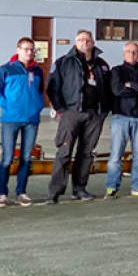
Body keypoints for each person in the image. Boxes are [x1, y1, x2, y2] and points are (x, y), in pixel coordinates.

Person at [46, 30, 113, 203]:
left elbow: (109, 88)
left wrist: (104, 110)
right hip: (71, 113)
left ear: (92, 42)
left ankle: (80, 189)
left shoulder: (102, 65)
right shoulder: (63, 63)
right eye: (81, 39)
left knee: (86, 153)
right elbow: (53, 87)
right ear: (75, 42)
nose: (84, 42)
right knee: (64, 152)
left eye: (87, 39)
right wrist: (61, 109)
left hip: (94, 115)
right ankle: (55, 192)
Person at [0, 37, 44, 207]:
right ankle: (2, 193)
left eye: (32, 49)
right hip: (11, 120)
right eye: (26, 49)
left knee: (26, 157)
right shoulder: (6, 70)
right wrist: (8, 107)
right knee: (7, 158)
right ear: (18, 50)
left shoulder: (38, 71)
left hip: (31, 121)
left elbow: (40, 92)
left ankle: (22, 193)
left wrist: (38, 107)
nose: (29, 52)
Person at [106, 42, 138, 199]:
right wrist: (137, 87)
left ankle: (137, 186)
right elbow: (117, 90)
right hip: (121, 117)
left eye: (135, 52)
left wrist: (130, 85)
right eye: (128, 51)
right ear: (123, 54)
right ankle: (112, 187)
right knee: (116, 155)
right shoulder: (116, 71)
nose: (131, 54)